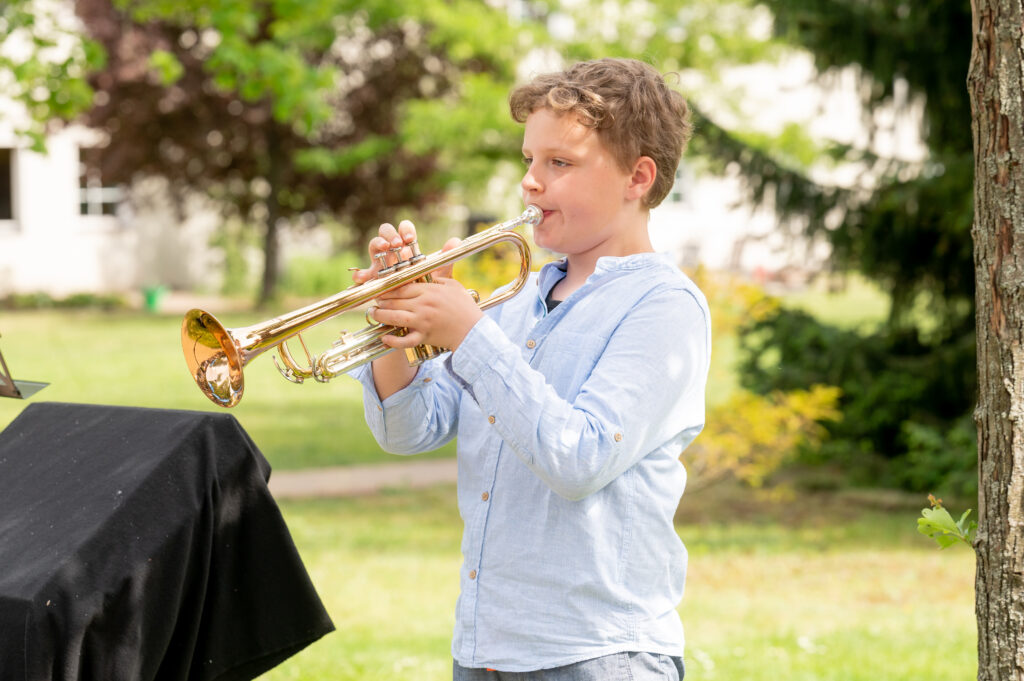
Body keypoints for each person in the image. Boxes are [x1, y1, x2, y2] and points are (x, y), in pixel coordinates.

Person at [348, 57, 710, 681]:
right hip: (486, 650)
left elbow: (580, 459)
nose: (531, 183)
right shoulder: (513, 303)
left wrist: (469, 334)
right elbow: (408, 431)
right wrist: (395, 326)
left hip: (598, 654)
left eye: (559, 163)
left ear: (638, 177)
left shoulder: (664, 306)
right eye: (529, 160)